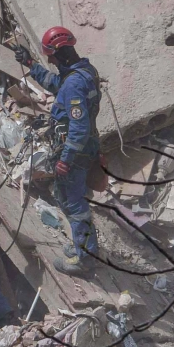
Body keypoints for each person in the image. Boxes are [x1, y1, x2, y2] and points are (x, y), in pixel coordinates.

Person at [29, 25, 104, 260]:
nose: (50, 61)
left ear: (60, 52)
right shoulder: (85, 71)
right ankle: (84, 247)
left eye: (51, 56)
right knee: (68, 198)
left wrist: (65, 160)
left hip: (75, 151)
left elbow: (79, 128)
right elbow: (56, 83)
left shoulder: (73, 83)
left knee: (74, 205)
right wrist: (33, 67)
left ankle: (85, 259)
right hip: (87, 146)